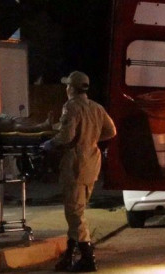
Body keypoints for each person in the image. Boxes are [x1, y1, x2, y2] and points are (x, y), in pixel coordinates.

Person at [42, 71, 117, 272]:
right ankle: (69, 257)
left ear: (71, 88)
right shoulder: (97, 108)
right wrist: (90, 138)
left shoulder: (71, 107)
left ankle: (87, 257)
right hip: (92, 163)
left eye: (67, 86)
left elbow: (67, 136)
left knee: (75, 214)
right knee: (78, 211)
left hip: (75, 164)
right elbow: (111, 131)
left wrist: (51, 143)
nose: (66, 88)